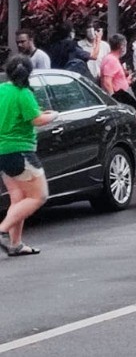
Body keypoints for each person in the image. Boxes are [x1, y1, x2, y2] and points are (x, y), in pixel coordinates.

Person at [0, 57, 58, 256]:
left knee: (19, 198)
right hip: (21, 151)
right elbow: (37, 119)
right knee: (38, 196)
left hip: (3, 152)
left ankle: (15, 244)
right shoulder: (24, 94)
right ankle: (2, 230)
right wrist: (53, 115)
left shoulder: (2, 90)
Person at [99, 34, 135, 109]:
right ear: (121, 46)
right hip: (118, 98)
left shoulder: (112, 59)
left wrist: (126, 81)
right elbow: (107, 82)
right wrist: (114, 100)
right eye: (125, 45)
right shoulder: (111, 60)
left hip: (121, 95)